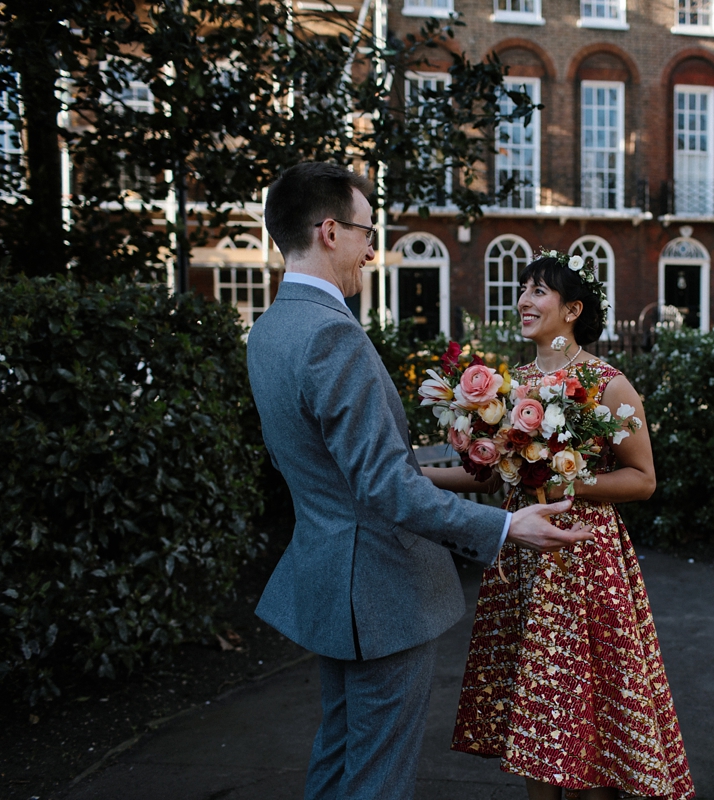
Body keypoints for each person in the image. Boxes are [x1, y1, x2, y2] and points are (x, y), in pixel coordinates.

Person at [246, 163, 594, 800]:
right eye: (364, 231)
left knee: (338, 750)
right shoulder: (331, 335)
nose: (370, 249)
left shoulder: (268, 331)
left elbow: (306, 459)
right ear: (329, 231)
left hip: (327, 575)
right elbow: (386, 487)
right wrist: (506, 525)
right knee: (378, 775)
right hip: (379, 589)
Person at [443, 251, 696, 800]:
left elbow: (643, 479)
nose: (525, 300)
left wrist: (566, 484)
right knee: (537, 726)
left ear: (573, 309)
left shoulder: (607, 383)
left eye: (539, 291)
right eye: (524, 289)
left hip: (584, 566)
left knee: (588, 726)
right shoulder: (510, 386)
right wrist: (413, 478)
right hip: (523, 565)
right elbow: (492, 480)